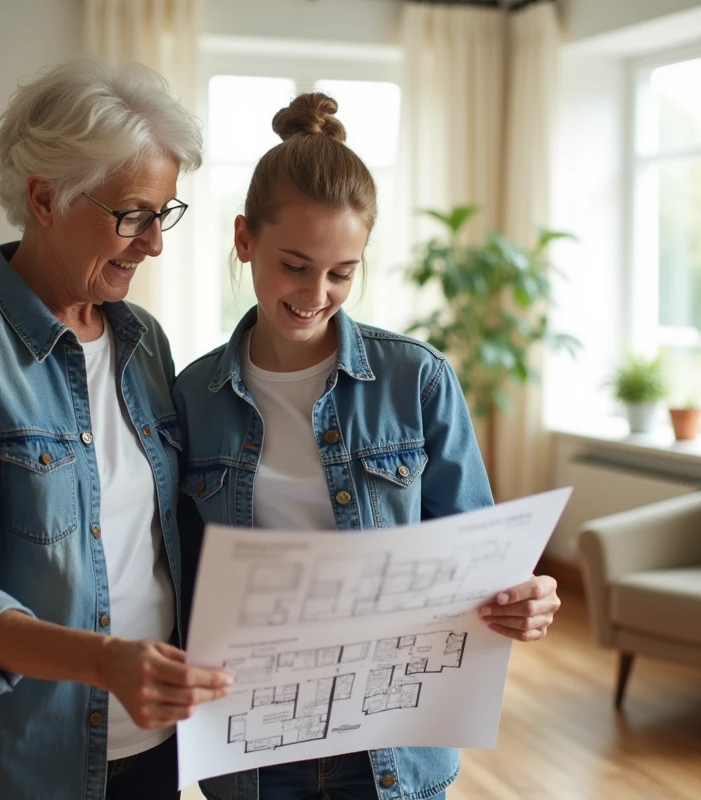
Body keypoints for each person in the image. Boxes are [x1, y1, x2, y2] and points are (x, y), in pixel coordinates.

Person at [172, 93, 563, 800]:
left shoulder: (417, 379)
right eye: (294, 264)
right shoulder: (191, 398)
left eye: (341, 272)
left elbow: (477, 552)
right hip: (254, 750)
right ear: (243, 239)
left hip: (391, 743)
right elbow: (175, 578)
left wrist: (523, 599)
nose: (315, 294)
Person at [0, 58, 233, 800]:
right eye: (133, 214)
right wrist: (107, 661)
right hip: (21, 763)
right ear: (45, 198)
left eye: (164, 214)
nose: (154, 243)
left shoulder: (144, 340)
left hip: (158, 747)